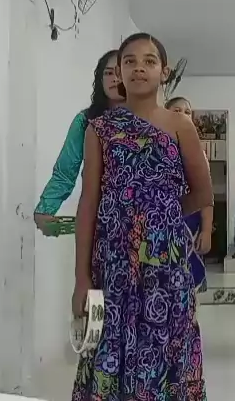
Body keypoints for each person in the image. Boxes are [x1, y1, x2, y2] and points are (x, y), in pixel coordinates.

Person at [72, 33, 213, 400]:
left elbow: (202, 192)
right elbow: (89, 202)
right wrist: (81, 277)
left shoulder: (180, 125)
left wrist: (158, 215)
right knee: (111, 341)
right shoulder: (99, 129)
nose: (139, 68)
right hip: (114, 262)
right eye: (129, 61)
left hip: (166, 262)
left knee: (166, 343)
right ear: (118, 72)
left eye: (149, 61)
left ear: (164, 72)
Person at [33, 49, 123, 235]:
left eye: (120, 73)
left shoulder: (152, 121)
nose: (115, 79)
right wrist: (46, 207)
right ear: (99, 79)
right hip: (101, 218)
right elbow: (66, 171)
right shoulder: (86, 121)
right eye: (108, 73)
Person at [165, 96, 212, 290]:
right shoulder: (153, 147)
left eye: (187, 112)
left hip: (190, 225)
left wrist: (206, 230)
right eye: (177, 111)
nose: (183, 115)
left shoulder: (198, 153)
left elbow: (206, 194)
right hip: (160, 225)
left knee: (189, 288)